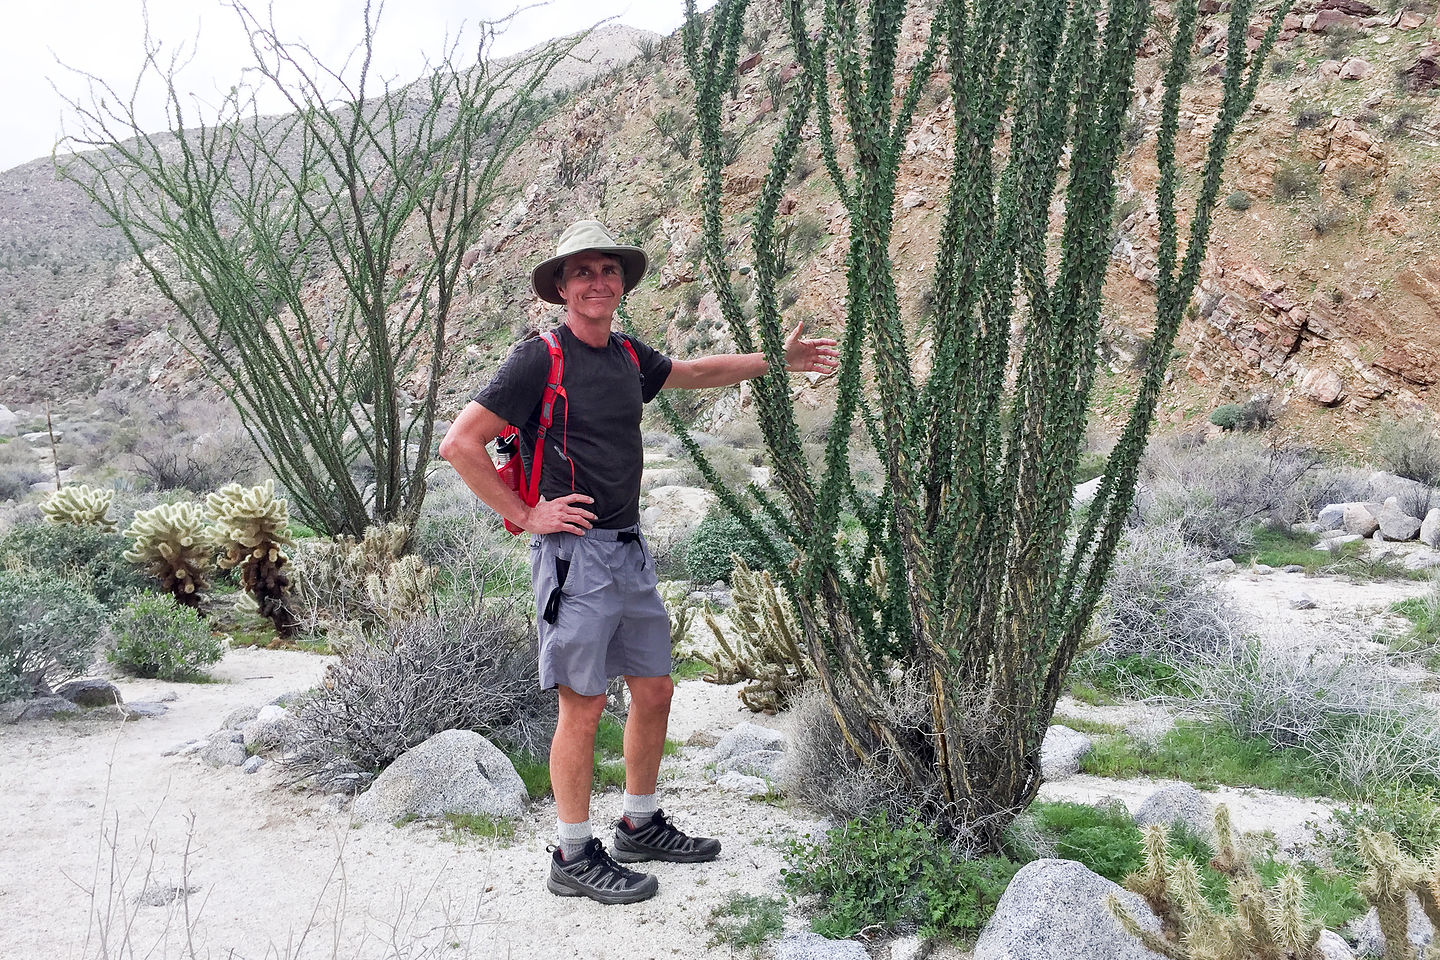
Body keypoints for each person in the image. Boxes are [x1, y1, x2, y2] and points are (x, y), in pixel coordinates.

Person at [438, 219, 838, 905]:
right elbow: (461, 443)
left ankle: (640, 823)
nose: (598, 282)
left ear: (621, 283)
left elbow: (690, 373)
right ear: (561, 287)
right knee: (584, 703)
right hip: (574, 557)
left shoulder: (625, 354)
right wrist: (528, 514)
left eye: (609, 271)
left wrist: (776, 360)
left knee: (654, 690)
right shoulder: (540, 357)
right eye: (584, 272)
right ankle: (571, 852)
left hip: (627, 546)